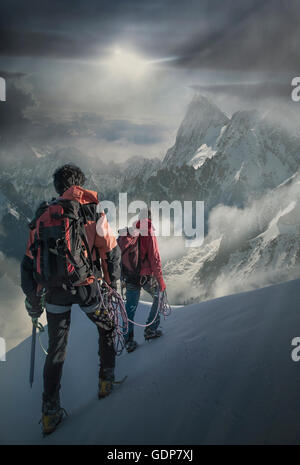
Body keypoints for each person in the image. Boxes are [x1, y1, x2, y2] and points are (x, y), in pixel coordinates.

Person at [21, 164, 120, 435]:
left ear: (57, 187)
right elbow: (109, 250)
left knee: (56, 348)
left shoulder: (43, 215)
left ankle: (50, 413)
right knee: (107, 327)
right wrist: (112, 284)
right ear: (80, 184)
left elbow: (29, 261)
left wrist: (33, 301)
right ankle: (106, 381)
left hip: (54, 293)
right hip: (86, 287)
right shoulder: (91, 210)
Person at [119, 208, 166, 353]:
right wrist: (161, 281)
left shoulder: (132, 232)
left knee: (130, 308)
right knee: (159, 295)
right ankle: (151, 329)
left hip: (130, 277)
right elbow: (155, 258)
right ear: (150, 218)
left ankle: (128, 341)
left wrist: (122, 277)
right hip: (145, 276)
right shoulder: (148, 231)